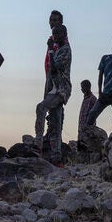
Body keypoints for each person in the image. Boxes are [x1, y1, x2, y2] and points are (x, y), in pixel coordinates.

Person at [36, 24, 71, 165]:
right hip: (54, 89)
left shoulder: (65, 50)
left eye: (57, 33)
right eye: (53, 34)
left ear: (64, 34)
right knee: (55, 123)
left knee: (41, 107)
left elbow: (54, 69)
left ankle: (38, 141)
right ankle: (56, 156)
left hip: (61, 90)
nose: (55, 36)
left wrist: (50, 50)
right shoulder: (58, 50)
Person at [86, 37, 112, 127]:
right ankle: (87, 134)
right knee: (92, 113)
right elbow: (100, 75)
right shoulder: (105, 58)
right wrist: (100, 91)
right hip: (106, 93)